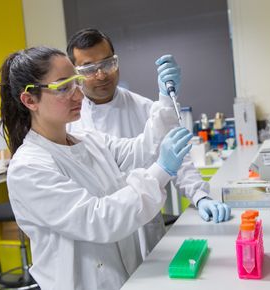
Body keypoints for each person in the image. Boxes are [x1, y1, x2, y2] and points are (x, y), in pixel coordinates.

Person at [0, 46, 193, 290]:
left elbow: (141, 151)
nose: (78, 95)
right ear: (29, 100)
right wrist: (162, 169)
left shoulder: (88, 140)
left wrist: (164, 99)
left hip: (123, 275)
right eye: (63, 87)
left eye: (76, 83)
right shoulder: (29, 168)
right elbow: (99, 219)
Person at [67, 28, 231, 258]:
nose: (101, 75)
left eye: (107, 64)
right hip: (99, 235)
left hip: (144, 223)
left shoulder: (145, 107)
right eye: (89, 69)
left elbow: (177, 158)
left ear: (116, 62)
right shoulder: (69, 121)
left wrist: (200, 195)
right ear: (75, 73)